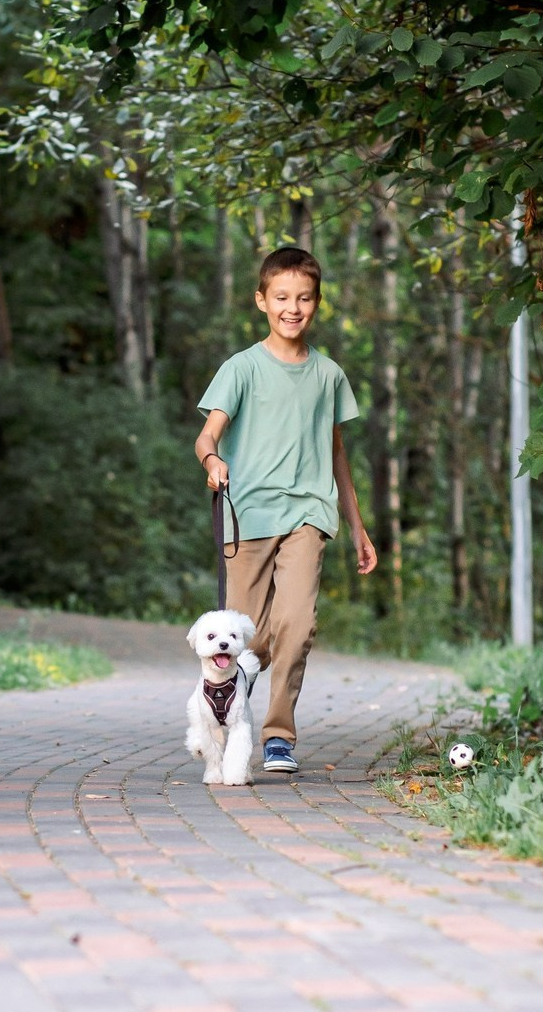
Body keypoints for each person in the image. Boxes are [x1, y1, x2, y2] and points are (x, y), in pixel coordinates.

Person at [194, 246, 376, 774]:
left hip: (308, 514)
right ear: (261, 300)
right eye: (281, 297)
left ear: (317, 303)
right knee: (244, 638)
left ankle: (278, 735)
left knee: (296, 623)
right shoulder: (242, 368)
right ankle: (223, 723)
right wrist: (212, 460)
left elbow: (336, 453)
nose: (292, 308)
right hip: (247, 514)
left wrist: (358, 528)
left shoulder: (329, 375)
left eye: (304, 298)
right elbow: (207, 435)